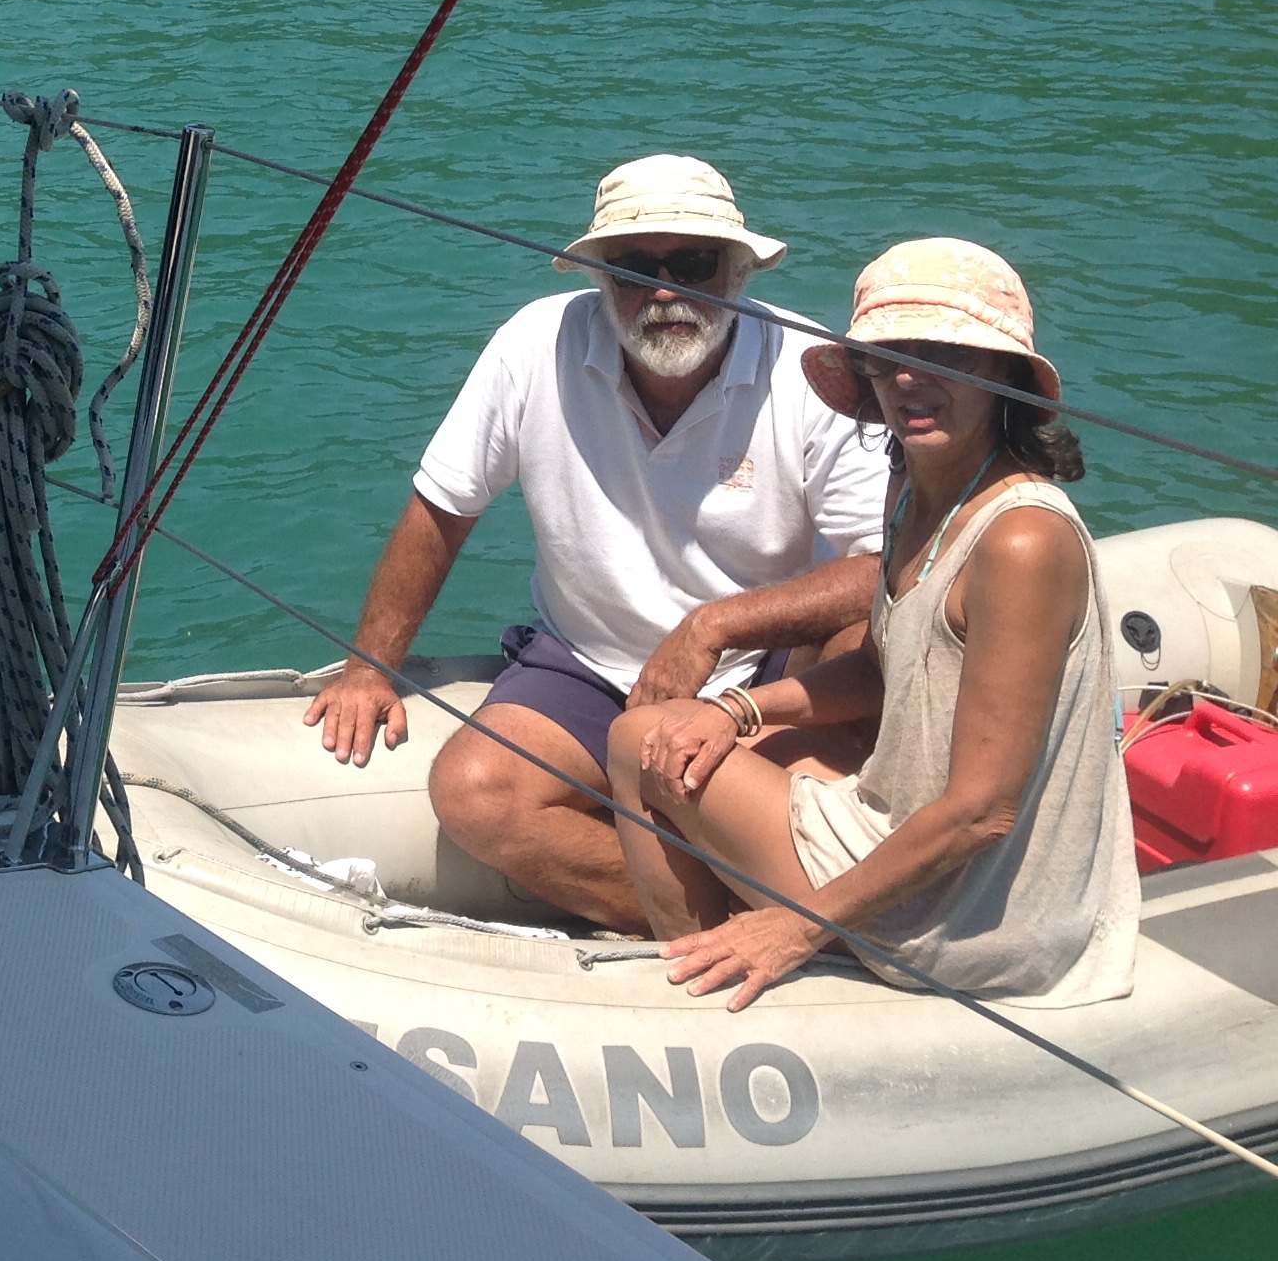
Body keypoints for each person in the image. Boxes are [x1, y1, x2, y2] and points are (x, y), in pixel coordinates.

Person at [303, 156, 888, 929]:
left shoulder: (809, 370)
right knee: (474, 793)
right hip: (589, 667)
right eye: (634, 268)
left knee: (862, 639)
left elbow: (884, 567)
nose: (665, 291)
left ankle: (775, 896)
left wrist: (715, 628)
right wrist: (368, 670)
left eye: (694, 263)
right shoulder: (533, 344)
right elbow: (442, 508)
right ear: (599, 277)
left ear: (741, 271)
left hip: (766, 669)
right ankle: (724, 916)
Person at [607, 240, 1136, 1010]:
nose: (910, 380)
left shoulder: (1022, 540)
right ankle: (722, 950)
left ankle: (709, 988)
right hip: (922, 834)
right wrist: (735, 709)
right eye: (887, 359)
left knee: (637, 742)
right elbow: (887, 667)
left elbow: (983, 813)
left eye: (945, 356)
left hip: (978, 913)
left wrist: (795, 929)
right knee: (687, 735)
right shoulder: (914, 488)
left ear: (1002, 376)